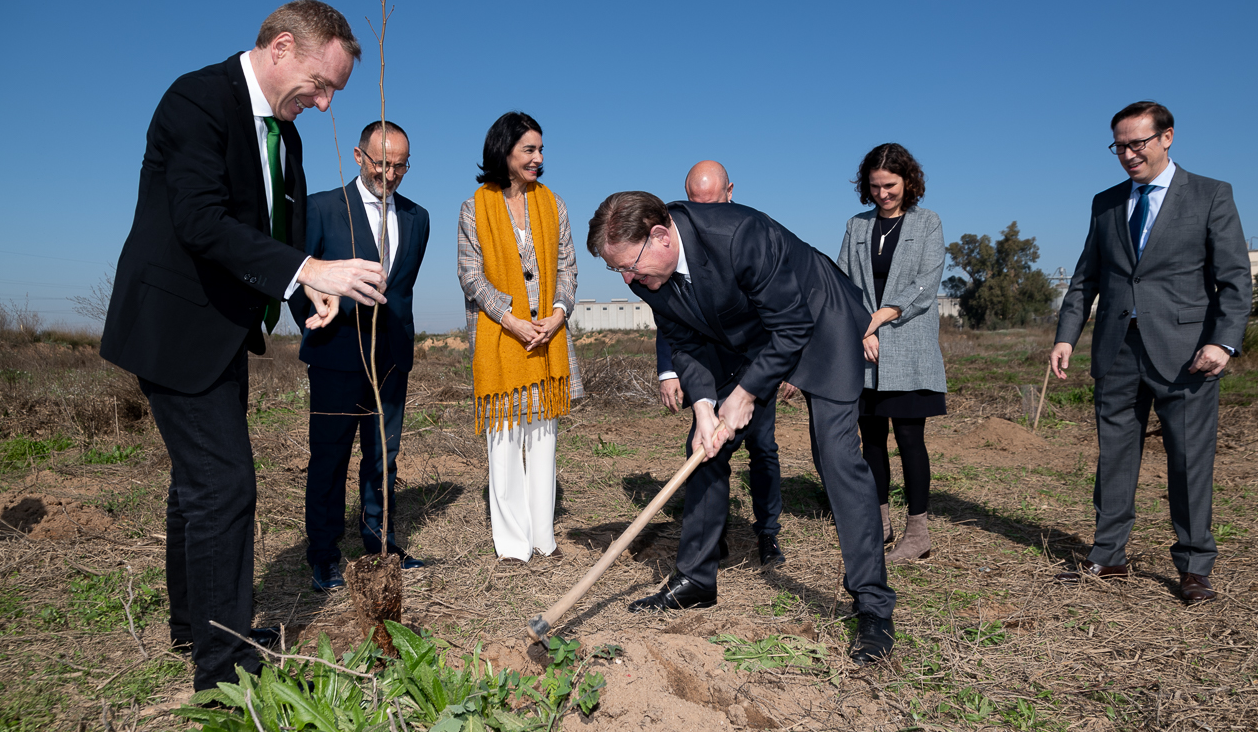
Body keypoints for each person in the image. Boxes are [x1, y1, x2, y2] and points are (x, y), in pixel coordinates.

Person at [101, 0, 387, 691]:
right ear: (281, 47)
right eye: (321, 84)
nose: (324, 104)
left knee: (195, 485)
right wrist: (312, 270)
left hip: (222, 332)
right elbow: (200, 221)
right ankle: (223, 668)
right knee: (224, 486)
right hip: (173, 327)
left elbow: (275, 239)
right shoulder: (197, 101)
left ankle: (196, 624)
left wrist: (304, 294)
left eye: (334, 93)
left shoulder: (286, 138)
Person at [586, 191, 897, 665]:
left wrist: (746, 393)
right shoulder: (647, 273)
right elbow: (684, 342)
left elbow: (792, 325)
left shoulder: (738, 234)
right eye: (617, 270)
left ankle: (873, 605)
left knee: (836, 457)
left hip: (818, 320)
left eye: (629, 266)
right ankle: (696, 579)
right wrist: (704, 408)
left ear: (660, 236)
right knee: (706, 448)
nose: (628, 280)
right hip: (745, 335)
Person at [1050, 101, 1251, 603]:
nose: (1128, 154)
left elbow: (1234, 278)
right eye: (1119, 146)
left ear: (1167, 137)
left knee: (1188, 461)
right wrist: (1066, 335)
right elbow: (1086, 279)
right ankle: (1108, 555)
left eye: (1137, 143)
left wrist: (1223, 341)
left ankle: (1194, 566)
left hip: (1188, 354)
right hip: (1116, 349)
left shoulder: (1210, 194)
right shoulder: (1106, 202)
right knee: (1115, 458)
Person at [293, 120, 430, 592]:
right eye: (381, 164)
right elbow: (299, 278)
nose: (390, 175)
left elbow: (403, 289)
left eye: (400, 166)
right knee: (329, 459)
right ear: (358, 156)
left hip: (391, 359)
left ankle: (381, 544)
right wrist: (315, 315)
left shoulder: (417, 217)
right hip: (335, 355)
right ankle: (324, 555)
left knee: (383, 457)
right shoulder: (320, 208)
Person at [457, 112, 582, 562]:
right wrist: (511, 320)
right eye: (529, 149)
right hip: (501, 338)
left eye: (541, 150)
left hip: (548, 339)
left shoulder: (554, 204)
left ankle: (542, 538)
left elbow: (568, 267)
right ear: (504, 151)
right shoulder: (474, 207)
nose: (538, 158)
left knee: (543, 440)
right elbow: (470, 276)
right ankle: (512, 544)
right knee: (505, 442)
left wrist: (558, 314)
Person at [655, 161, 784, 567]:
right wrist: (669, 370)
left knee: (762, 447)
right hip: (709, 365)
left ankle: (768, 532)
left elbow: (782, 313)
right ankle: (712, 539)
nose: (703, 214)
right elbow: (671, 313)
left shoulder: (746, 236)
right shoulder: (677, 240)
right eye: (695, 204)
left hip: (756, 363)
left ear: (730, 192)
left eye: (711, 203)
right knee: (706, 448)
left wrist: (785, 367)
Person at [836, 144, 948, 563]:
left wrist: (879, 317)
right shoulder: (857, 226)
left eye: (890, 186)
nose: (882, 194)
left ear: (908, 182)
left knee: (909, 439)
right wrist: (861, 327)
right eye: (875, 186)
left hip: (910, 347)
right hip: (865, 349)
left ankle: (917, 533)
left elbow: (926, 282)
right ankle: (879, 524)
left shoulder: (928, 222)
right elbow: (843, 281)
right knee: (871, 440)